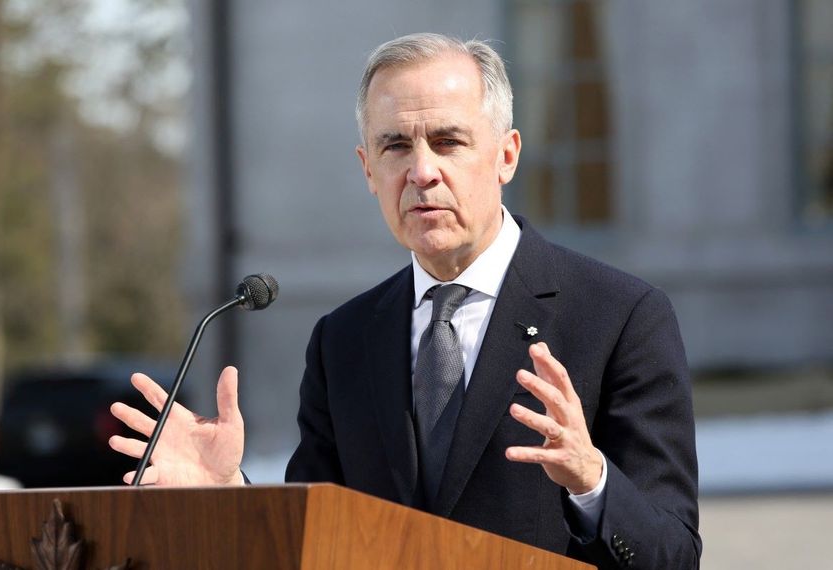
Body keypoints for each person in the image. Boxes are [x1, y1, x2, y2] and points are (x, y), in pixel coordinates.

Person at [109, 33, 701, 569]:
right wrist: (230, 497)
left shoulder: (620, 316)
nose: (422, 172)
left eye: (448, 141)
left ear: (506, 155)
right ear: (368, 169)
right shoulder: (343, 339)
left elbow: (672, 556)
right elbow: (314, 544)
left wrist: (591, 480)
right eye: (395, 147)